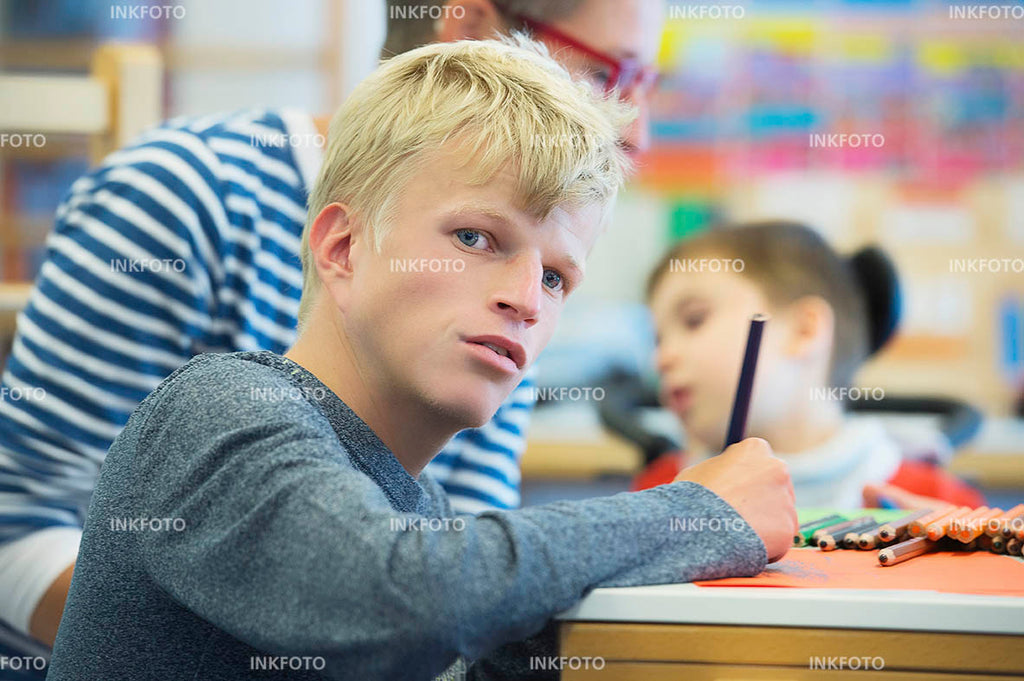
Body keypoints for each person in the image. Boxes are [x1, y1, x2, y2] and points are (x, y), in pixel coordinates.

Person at [46, 37, 796, 681]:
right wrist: (696, 512)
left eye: (556, 276)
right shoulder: (218, 411)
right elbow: (392, 598)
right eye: (475, 238)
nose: (526, 300)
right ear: (342, 247)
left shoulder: (417, 507)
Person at [641, 220, 984, 509]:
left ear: (805, 330)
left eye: (694, 320)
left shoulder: (938, 504)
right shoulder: (658, 494)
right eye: (657, 339)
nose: (661, 358)